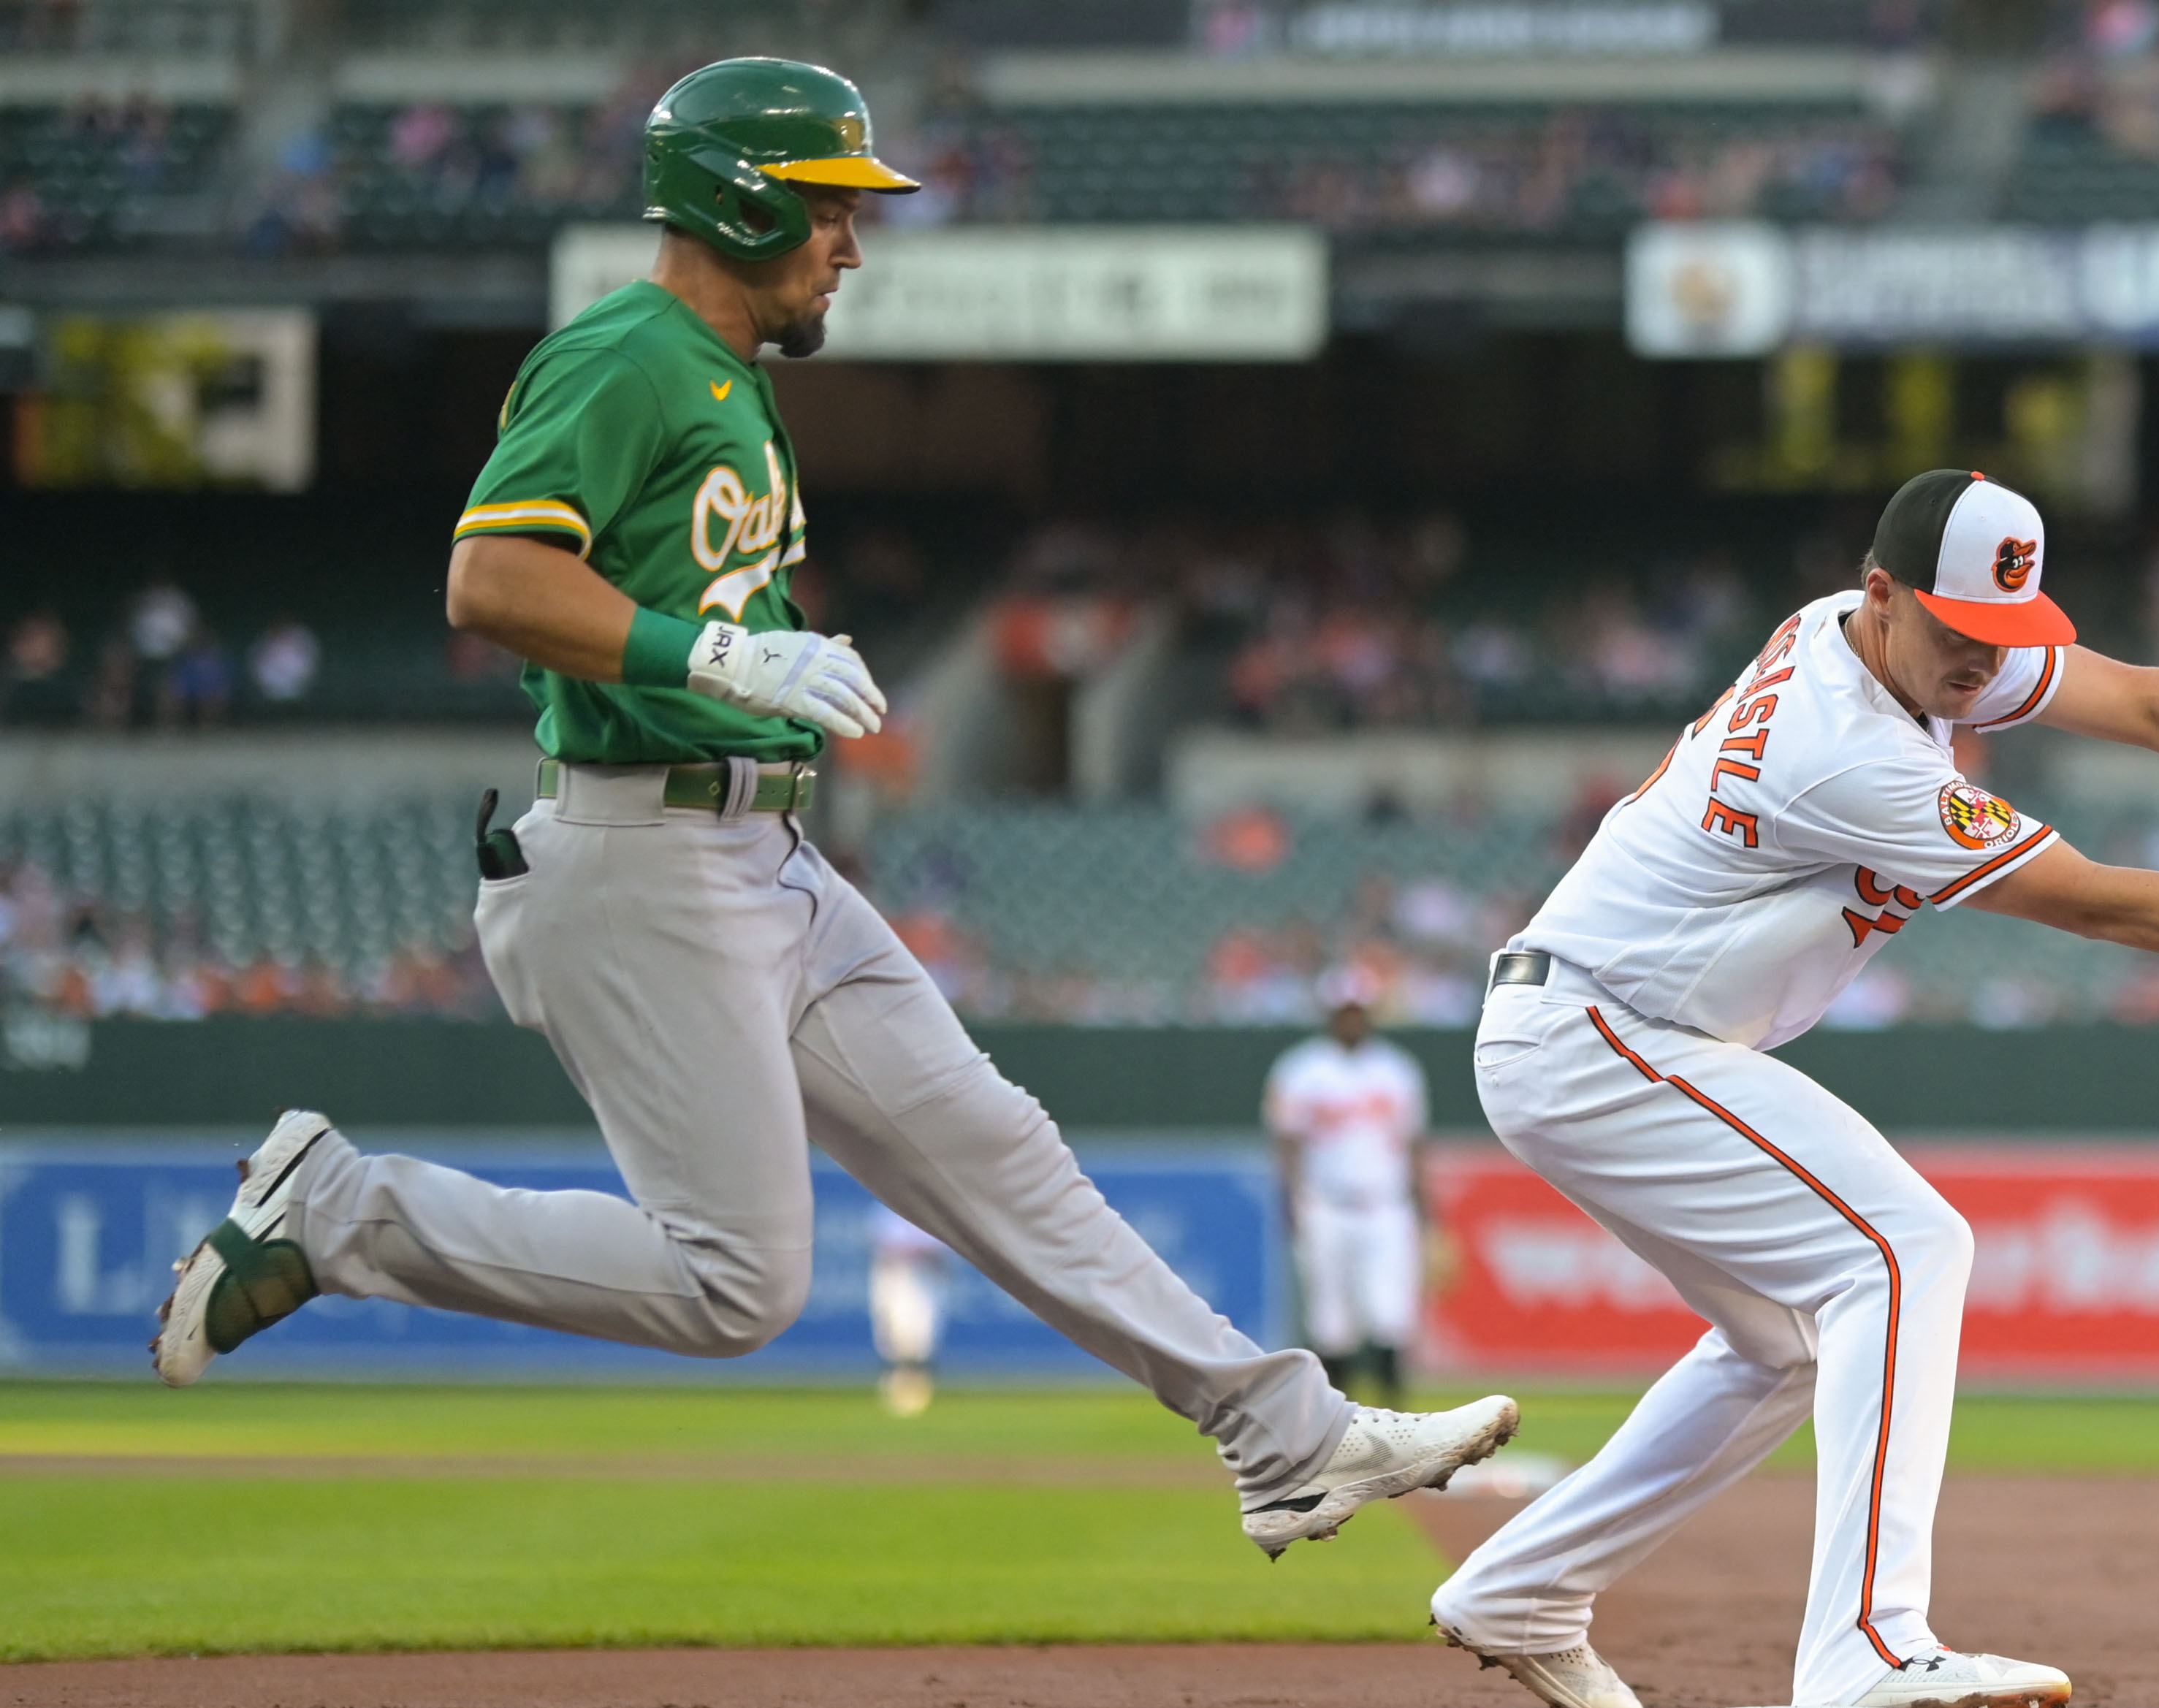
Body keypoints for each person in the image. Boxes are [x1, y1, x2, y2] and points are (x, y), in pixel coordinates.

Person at [148, 56, 1517, 1560]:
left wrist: (757, 663)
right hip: (638, 846)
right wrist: (720, 651)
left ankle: (1286, 1435)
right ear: (740, 200)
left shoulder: (724, 377)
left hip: (756, 848)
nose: (851, 245)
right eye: (827, 209)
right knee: (739, 1284)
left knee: (1002, 1148)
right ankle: (339, 1210)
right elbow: (492, 577)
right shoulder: (626, 355)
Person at [1433, 469, 2159, 1708]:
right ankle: (1867, 1649)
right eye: (1963, 639)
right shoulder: (1842, 749)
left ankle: (1524, 1587)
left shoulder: (1894, 643)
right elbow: (2096, 899)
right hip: (1598, 1032)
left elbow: (2155, 703)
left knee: (1791, 1341)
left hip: (1624, 1031)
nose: (1983, 671)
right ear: (1885, 595)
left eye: (2004, 639)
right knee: (1902, 1251)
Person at [1265, 978, 1429, 1404]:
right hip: (1325, 1203)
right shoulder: (1302, 1068)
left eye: (1358, 1011)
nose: (1352, 1019)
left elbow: (1414, 1143)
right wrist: (1290, 1200)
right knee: (1330, 1320)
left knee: (1391, 1314)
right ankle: (1337, 1421)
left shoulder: (1397, 1068)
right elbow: (1288, 1142)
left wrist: (1427, 1211)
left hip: (1386, 1204)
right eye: (1344, 1012)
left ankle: (1398, 1419)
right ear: (1330, 1015)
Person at [869, 1205, 949, 1417]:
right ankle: (895, 1389)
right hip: (895, 1282)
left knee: (921, 1339)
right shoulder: (887, 1213)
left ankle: (920, 1390)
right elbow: (880, 1247)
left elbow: (940, 1254)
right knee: (895, 1339)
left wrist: (916, 1253)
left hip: (924, 1283)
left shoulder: (931, 1216)